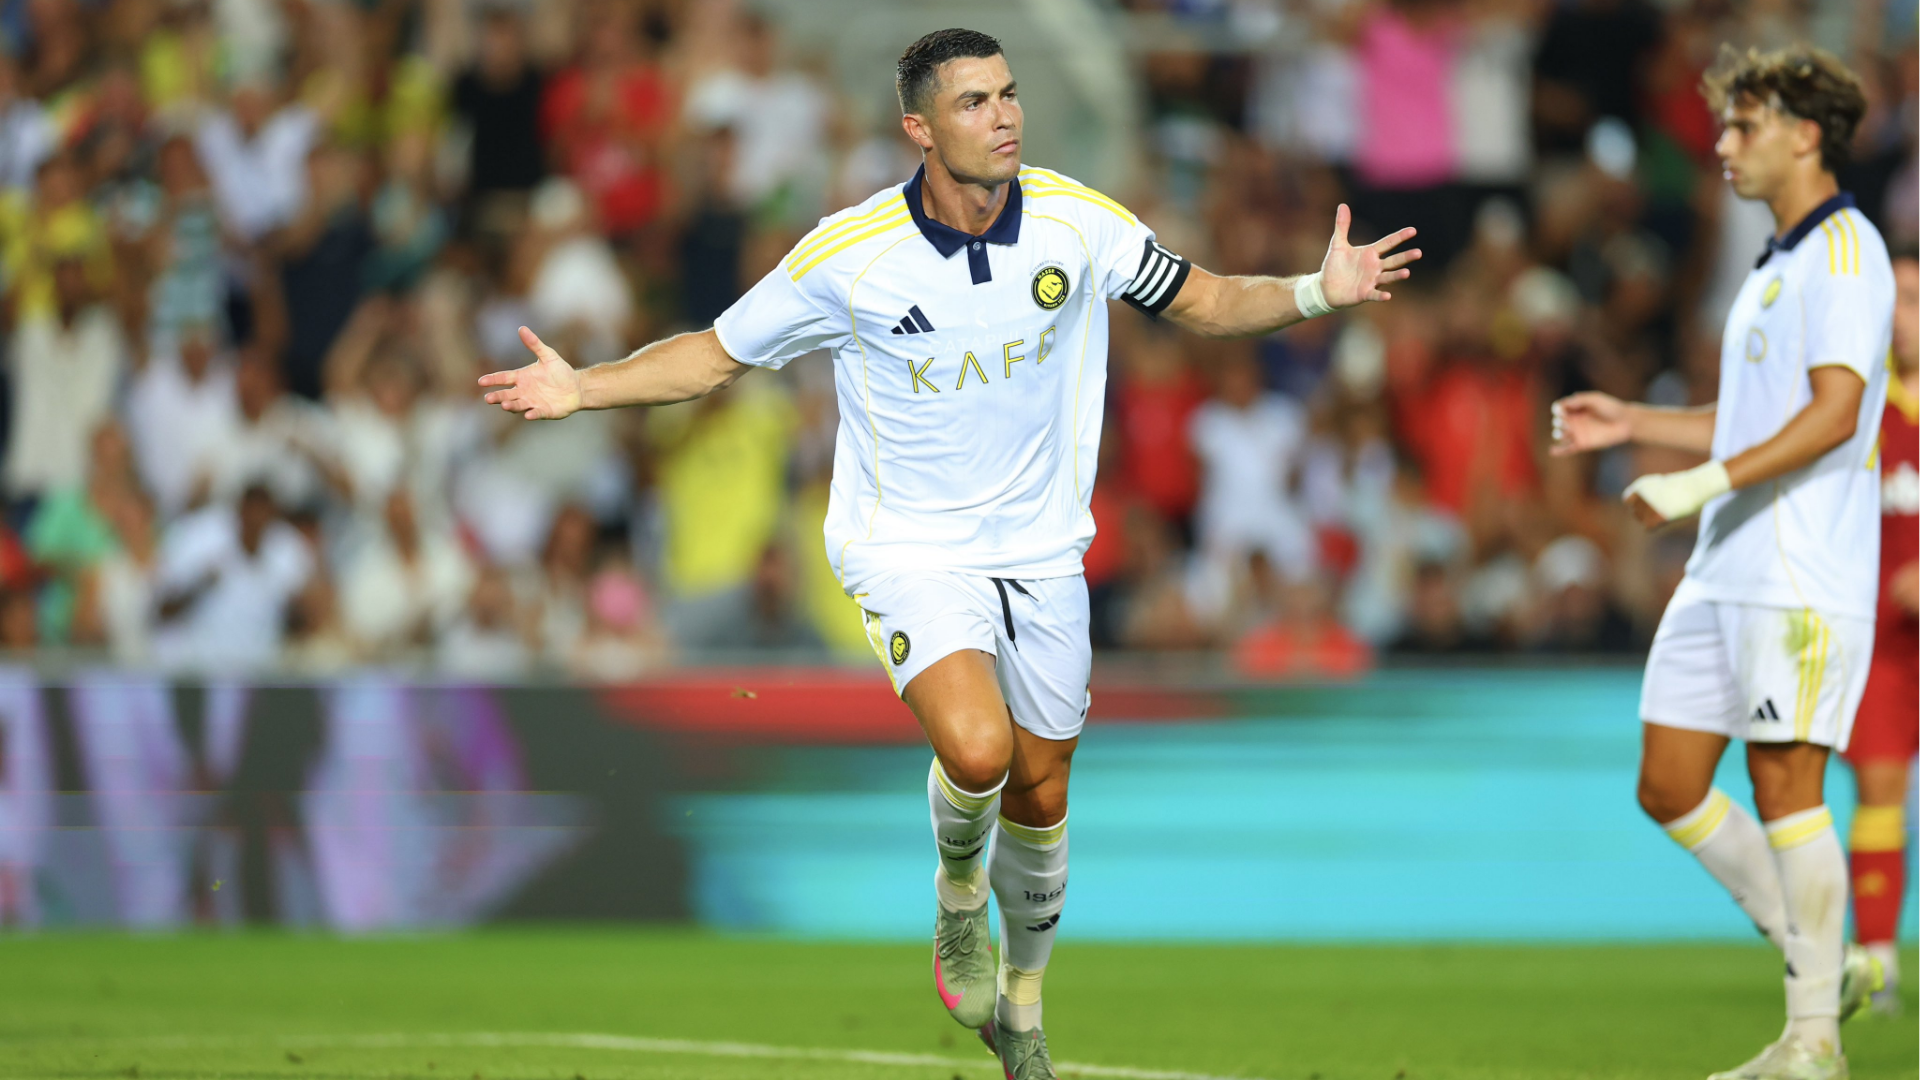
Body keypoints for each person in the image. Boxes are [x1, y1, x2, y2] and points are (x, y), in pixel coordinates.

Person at [478, 28, 1418, 1079]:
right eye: (974, 102)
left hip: (1044, 553)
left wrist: (1314, 292)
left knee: (1043, 794)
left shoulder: (1081, 223)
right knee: (978, 751)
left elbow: (1204, 299)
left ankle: (1023, 1006)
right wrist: (585, 386)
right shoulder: (848, 255)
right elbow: (713, 355)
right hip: (909, 548)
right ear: (918, 128)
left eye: (1008, 94)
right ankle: (958, 895)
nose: (1004, 115)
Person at [1552, 46, 1892, 1080]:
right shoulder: (1777, 261)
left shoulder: (1846, 255)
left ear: (1807, 134)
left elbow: (1834, 416)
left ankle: (1814, 1040)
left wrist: (1698, 483)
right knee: (1667, 782)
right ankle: (1821, 962)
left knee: (1787, 783)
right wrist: (1636, 422)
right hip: (1726, 563)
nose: (1723, 145)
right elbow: (1754, 415)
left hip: (1800, 569)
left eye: (1746, 126)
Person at [1841, 246, 1917, 1018]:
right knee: (1881, 789)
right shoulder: (1856, 409)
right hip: (1883, 642)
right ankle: (1878, 966)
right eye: (1892, 299)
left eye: (1916, 301)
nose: (1902, 318)